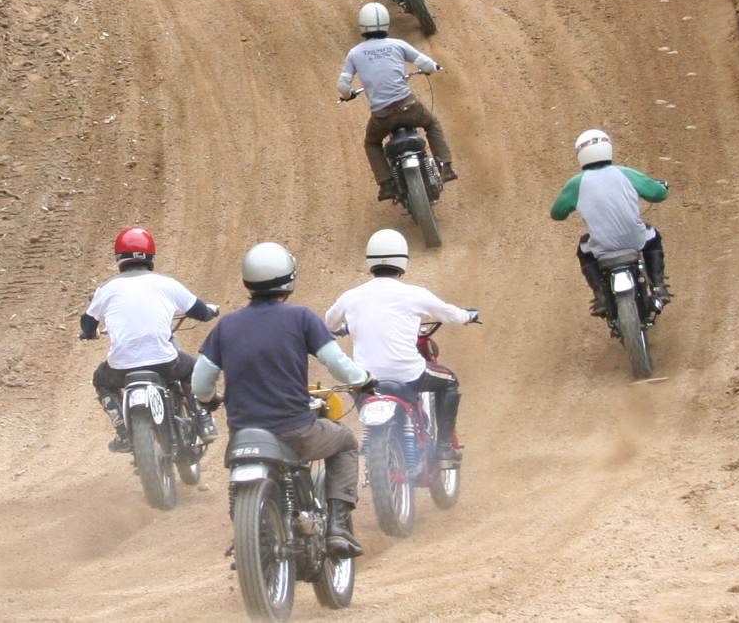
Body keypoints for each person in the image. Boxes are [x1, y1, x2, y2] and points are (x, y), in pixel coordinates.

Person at [192, 242, 374, 558]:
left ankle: (245, 535)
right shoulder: (301, 317)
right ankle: (338, 527)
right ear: (289, 278)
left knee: (239, 471)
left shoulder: (226, 326)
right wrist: (364, 380)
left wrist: (209, 400)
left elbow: (200, 384)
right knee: (345, 442)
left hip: (244, 436)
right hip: (296, 431)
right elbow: (338, 364)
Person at [326, 229, 478, 462]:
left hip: (364, 379)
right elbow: (450, 315)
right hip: (409, 374)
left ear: (370, 261)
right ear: (403, 260)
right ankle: (444, 448)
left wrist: (346, 327)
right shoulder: (414, 294)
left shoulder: (351, 296)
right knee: (450, 382)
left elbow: (329, 322)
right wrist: (468, 315)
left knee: (360, 388)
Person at [80, 227, 220, 453]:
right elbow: (201, 312)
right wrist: (210, 312)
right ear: (151, 256)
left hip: (121, 368)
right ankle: (204, 420)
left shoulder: (106, 289)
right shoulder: (167, 284)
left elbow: (87, 323)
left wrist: (89, 333)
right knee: (192, 368)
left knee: (102, 381)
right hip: (164, 362)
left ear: (119, 258)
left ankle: (124, 432)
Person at [338, 1, 455, 200]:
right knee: (432, 123)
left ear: (362, 26)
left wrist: (347, 94)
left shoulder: (355, 53)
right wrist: (433, 68)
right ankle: (446, 166)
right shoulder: (398, 45)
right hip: (409, 107)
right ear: (385, 22)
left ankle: (386, 184)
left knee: (372, 143)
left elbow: (343, 84)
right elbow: (425, 63)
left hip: (382, 117)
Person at [550, 129, 670, 316]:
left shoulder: (576, 184)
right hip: (635, 240)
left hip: (602, 248)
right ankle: (658, 287)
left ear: (580, 155)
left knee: (583, 248)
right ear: (608, 148)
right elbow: (658, 194)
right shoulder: (626, 173)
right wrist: (662, 187)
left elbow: (557, 214)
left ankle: (601, 296)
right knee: (652, 235)